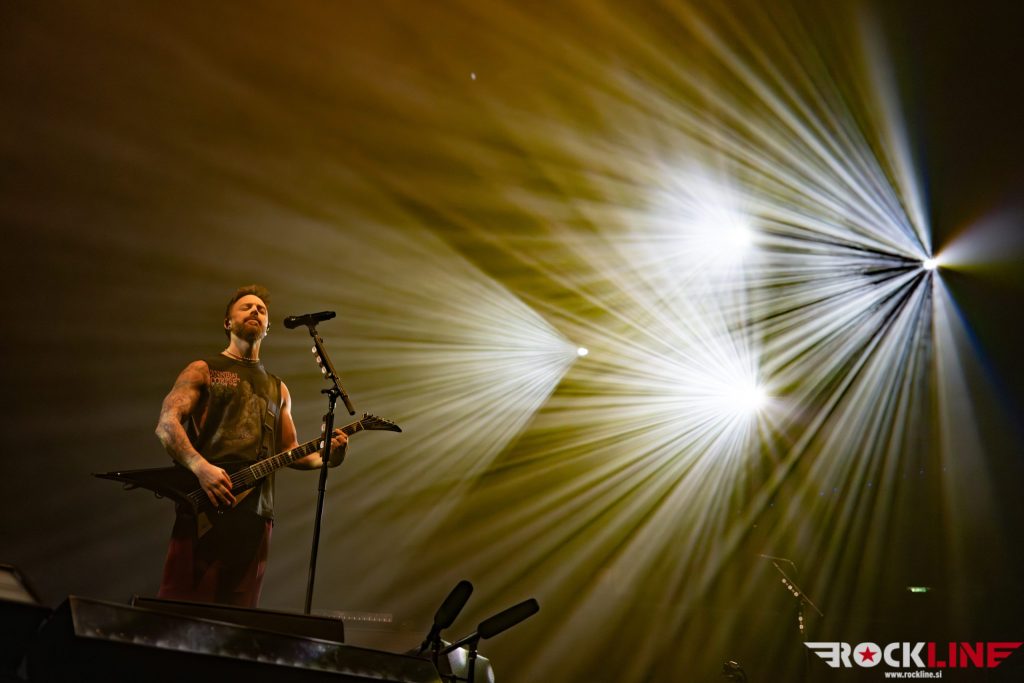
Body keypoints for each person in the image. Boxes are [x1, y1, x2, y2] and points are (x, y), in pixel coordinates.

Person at [154, 284, 347, 607]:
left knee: (239, 617)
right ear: (227, 322)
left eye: (261, 309)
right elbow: (166, 425)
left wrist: (329, 458)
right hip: (206, 509)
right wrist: (201, 468)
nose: (255, 310)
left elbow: (290, 451)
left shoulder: (278, 388)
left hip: (256, 517)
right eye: (246, 307)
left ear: (268, 327)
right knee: (179, 610)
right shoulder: (203, 369)